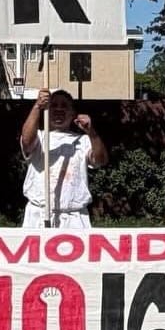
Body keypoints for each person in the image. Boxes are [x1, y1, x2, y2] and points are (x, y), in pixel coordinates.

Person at [20, 88, 109, 228]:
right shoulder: (40, 138)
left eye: (64, 106)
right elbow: (26, 141)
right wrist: (38, 105)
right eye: (54, 105)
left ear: (72, 113)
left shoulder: (83, 140)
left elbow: (100, 160)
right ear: (47, 110)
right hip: (38, 215)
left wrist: (91, 132)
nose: (59, 109)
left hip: (74, 218)